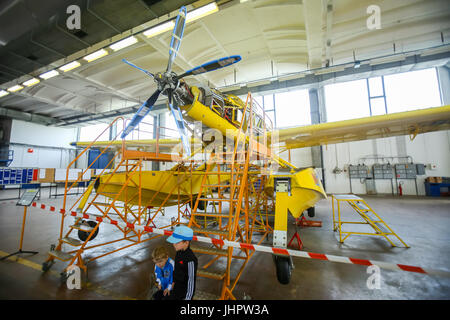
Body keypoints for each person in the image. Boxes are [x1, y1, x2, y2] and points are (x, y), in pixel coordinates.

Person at [166, 225, 198, 300]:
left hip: (184, 293)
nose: (173, 244)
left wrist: (188, 298)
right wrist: (172, 282)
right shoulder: (179, 252)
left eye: (176, 242)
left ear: (186, 243)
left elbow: (191, 281)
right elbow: (176, 269)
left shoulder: (191, 259)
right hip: (175, 288)